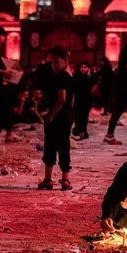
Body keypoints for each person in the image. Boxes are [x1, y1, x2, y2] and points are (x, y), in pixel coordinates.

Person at [37, 46, 74, 191]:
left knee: (52, 145)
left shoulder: (62, 76)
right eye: (51, 62)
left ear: (65, 60)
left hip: (58, 115)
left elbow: (61, 99)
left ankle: (50, 179)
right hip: (67, 115)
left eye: (56, 62)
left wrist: (50, 115)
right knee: (62, 144)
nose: (53, 65)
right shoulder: (68, 74)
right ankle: (63, 179)